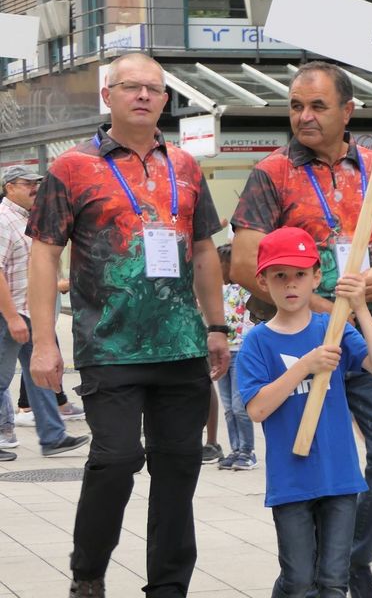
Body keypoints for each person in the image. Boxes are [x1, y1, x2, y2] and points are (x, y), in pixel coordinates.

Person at [26, 52, 230, 598]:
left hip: (182, 347)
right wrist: (45, 343)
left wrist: (217, 326)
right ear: (107, 95)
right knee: (116, 461)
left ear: (165, 99)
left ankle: (168, 587)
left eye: (154, 89)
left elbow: (206, 249)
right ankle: (88, 572)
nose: (143, 96)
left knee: (177, 473)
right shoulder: (71, 167)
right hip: (109, 346)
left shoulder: (185, 166)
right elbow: (44, 255)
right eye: (130, 87)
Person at [230, 60, 372, 597]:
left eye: (317, 105)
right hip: (299, 342)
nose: (304, 116)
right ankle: (317, 571)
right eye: (295, 105)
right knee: (307, 460)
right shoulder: (272, 172)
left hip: (367, 333)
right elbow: (245, 263)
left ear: (348, 110)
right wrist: (316, 309)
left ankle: (345, 559)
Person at [238, 226, 372, 597]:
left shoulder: (332, 327)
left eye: (300, 275)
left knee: (333, 581)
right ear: (263, 281)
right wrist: (304, 365)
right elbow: (258, 408)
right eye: (280, 276)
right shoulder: (257, 341)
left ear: (316, 278)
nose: (291, 285)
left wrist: (359, 308)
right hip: (291, 482)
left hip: (339, 476)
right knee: (297, 580)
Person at [0, 165, 91, 459]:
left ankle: (53, 437)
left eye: (37, 183)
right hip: (8, 315)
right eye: (28, 183)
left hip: (29, 314)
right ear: (9, 187)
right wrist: (12, 317)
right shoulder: (3, 220)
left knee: (40, 376)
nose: (35, 189)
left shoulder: (28, 220)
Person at [216, 243, 257, 470]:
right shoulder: (216, 290)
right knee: (229, 407)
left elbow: (250, 320)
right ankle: (235, 449)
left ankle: (248, 451)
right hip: (222, 352)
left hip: (240, 351)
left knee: (240, 406)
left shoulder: (245, 290)